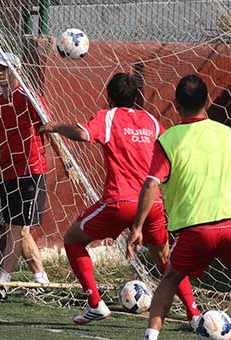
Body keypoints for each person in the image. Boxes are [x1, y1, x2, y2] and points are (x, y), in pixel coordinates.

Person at [41, 72, 200, 325]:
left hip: (120, 203)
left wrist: (56, 126)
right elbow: (171, 150)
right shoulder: (151, 120)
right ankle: (194, 315)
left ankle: (96, 304)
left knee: (72, 240)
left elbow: (82, 134)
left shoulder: (108, 116)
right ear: (137, 97)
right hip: (153, 204)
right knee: (168, 261)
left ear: (109, 96)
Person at [126, 75, 231, 340]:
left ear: (175, 104)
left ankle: (151, 336)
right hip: (229, 223)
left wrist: (137, 227)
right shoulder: (227, 134)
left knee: (170, 278)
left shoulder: (169, 139)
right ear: (207, 101)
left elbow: (151, 185)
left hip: (196, 229)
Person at [0, 52, 50, 301]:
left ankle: (3, 281)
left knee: (17, 231)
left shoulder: (28, 98)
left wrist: (65, 161)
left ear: (16, 70)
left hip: (31, 171)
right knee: (17, 229)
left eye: (3, 68)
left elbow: (48, 128)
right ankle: (41, 279)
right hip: (7, 173)